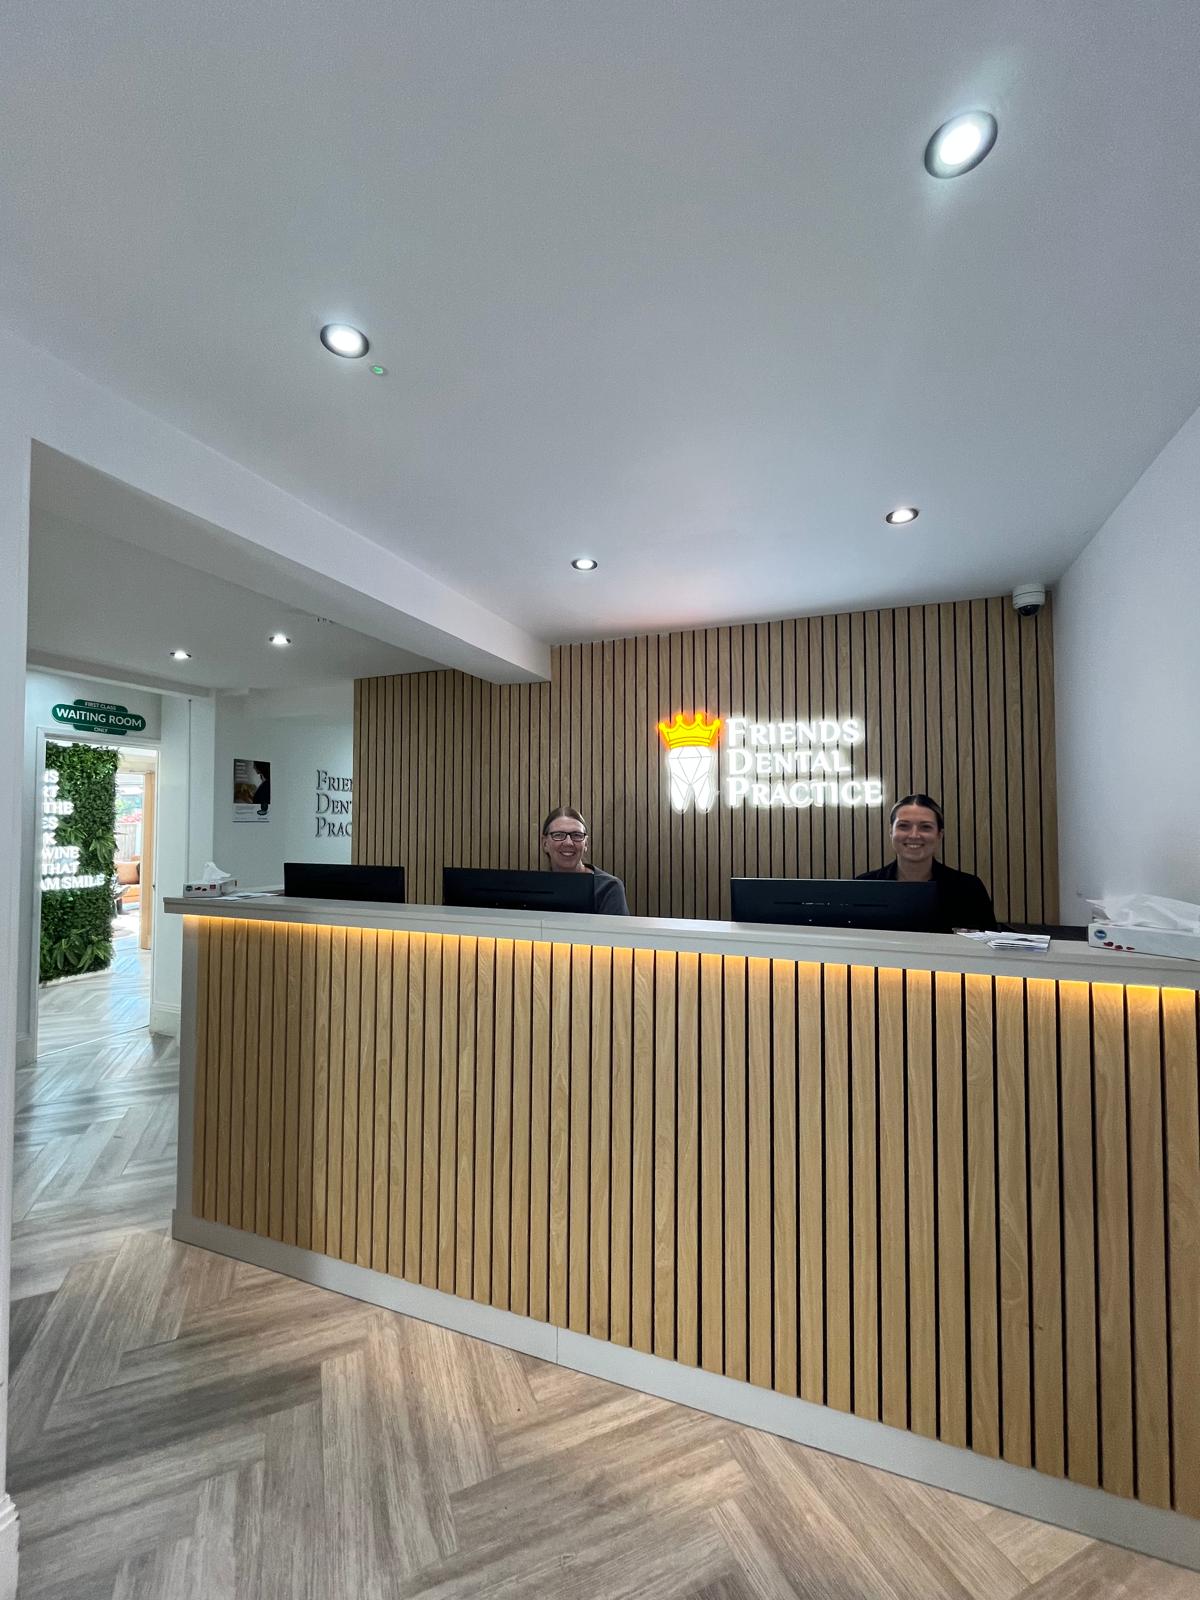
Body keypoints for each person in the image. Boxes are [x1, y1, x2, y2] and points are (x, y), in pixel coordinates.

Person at [857, 792, 997, 931]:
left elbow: (989, 946)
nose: (914, 835)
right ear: (891, 832)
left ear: (939, 835)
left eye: (925, 827)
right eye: (904, 826)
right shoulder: (863, 887)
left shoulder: (969, 889)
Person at [540, 805, 630, 915]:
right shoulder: (534, 888)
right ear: (545, 843)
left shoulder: (608, 888)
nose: (569, 843)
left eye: (577, 835)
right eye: (558, 835)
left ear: (586, 843)